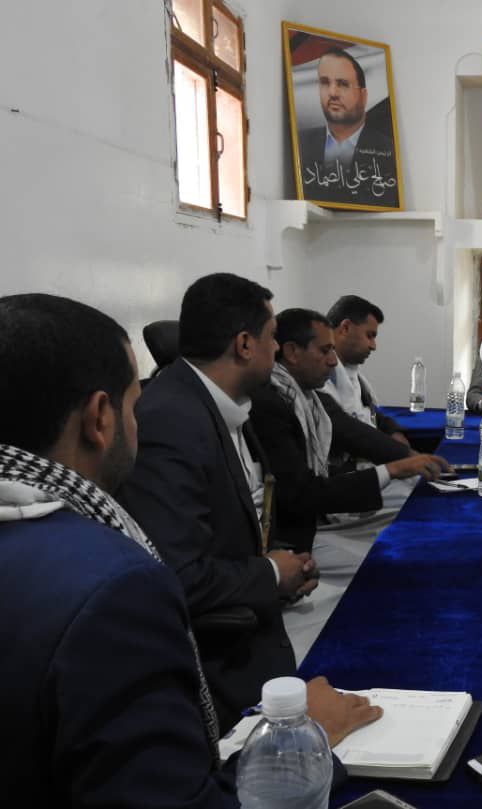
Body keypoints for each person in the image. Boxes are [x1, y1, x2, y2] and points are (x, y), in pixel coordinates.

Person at [0, 293, 380, 805]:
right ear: (99, 418)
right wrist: (302, 738)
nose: (141, 419)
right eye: (133, 403)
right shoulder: (115, 589)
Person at [119, 273, 319, 730]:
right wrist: (272, 573)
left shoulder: (225, 404)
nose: (276, 350)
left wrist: (284, 564)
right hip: (218, 666)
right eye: (272, 338)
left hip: (257, 621)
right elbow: (178, 576)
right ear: (245, 344)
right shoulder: (171, 420)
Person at [251, 308, 449, 552]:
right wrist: (395, 467)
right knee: (403, 544)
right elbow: (346, 434)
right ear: (291, 352)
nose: (333, 361)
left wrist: (396, 444)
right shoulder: (272, 402)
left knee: (415, 523)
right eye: (325, 350)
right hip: (296, 538)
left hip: (319, 510)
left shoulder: (306, 393)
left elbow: (372, 413)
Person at [296, 48, 399, 207]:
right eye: (325, 83)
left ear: (363, 96)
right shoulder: (299, 144)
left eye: (343, 84)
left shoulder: (389, 152)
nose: (332, 93)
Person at [322, 294, 409, 449]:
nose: (373, 346)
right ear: (345, 328)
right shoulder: (318, 374)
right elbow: (345, 428)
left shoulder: (351, 372)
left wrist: (393, 431)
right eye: (369, 336)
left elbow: (369, 412)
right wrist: (400, 453)